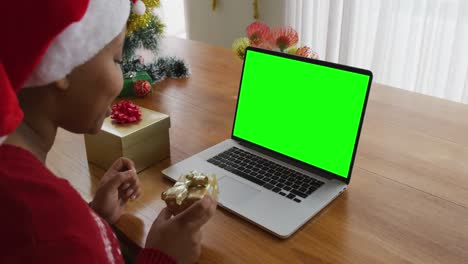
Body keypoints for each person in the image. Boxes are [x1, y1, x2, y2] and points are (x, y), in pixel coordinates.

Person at [0, 0, 217, 263]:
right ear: (64, 63)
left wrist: (94, 217)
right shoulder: (56, 228)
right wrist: (163, 257)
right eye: (117, 59)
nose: (122, 78)